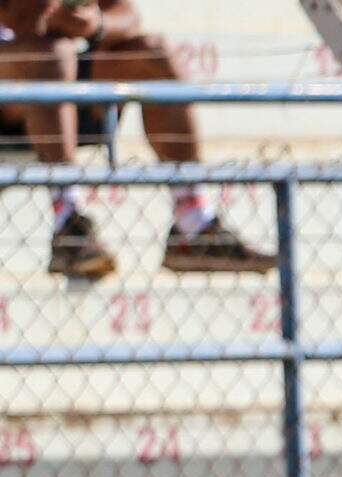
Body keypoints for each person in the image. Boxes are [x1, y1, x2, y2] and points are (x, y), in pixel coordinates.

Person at [0, 0, 274, 277]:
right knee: (52, 54)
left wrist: (95, 25)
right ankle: (69, 225)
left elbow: (127, 15)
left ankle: (194, 224)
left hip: (66, 85)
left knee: (153, 52)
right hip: (13, 90)